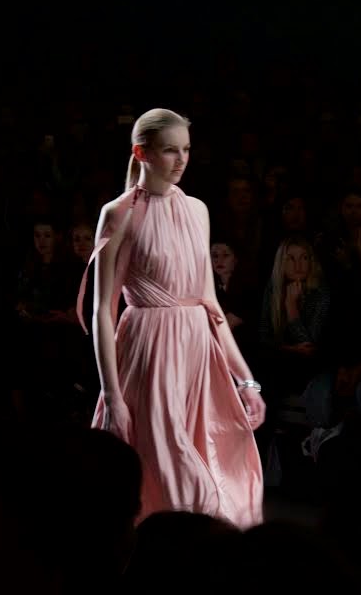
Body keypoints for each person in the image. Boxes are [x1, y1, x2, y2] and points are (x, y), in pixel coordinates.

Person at [76, 108, 265, 528]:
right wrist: (112, 394)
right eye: (169, 150)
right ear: (141, 153)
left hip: (197, 357)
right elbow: (103, 309)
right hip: (149, 354)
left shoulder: (197, 210)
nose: (181, 160)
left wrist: (246, 380)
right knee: (174, 480)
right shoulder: (119, 212)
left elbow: (210, 304)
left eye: (186, 150)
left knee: (212, 473)